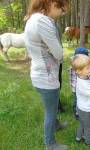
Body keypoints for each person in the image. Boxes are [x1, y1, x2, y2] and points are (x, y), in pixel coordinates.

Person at [24, 0, 69, 149]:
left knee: (53, 105)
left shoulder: (32, 18)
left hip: (40, 74)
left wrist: (54, 51)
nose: (62, 12)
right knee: (50, 112)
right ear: (52, 4)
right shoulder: (43, 21)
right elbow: (59, 54)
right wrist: (59, 53)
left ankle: (56, 125)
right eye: (61, 8)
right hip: (46, 77)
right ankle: (50, 144)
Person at [68, 47, 89, 120]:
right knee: (78, 100)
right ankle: (77, 113)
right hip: (78, 87)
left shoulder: (74, 64)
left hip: (74, 87)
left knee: (77, 99)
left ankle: (77, 111)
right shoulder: (78, 68)